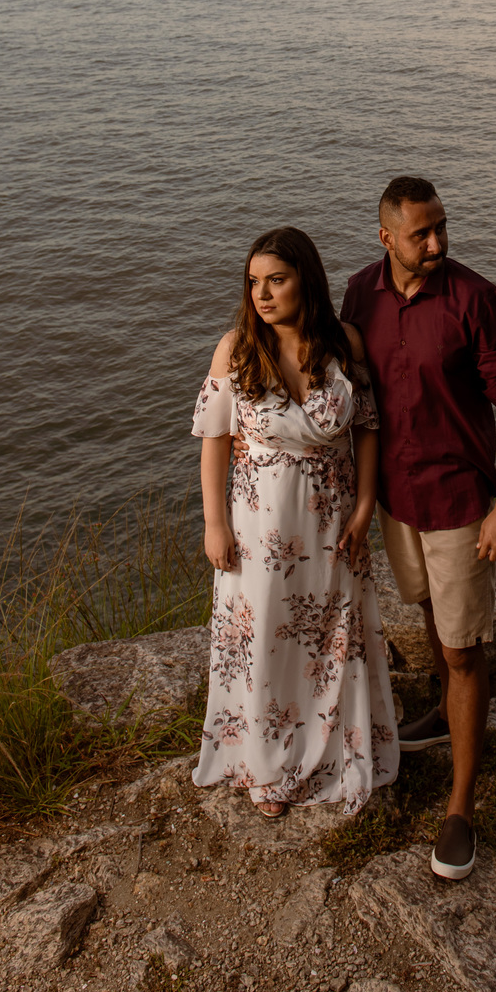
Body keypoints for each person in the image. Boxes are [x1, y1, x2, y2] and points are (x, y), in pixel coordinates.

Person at [341, 177, 496, 880]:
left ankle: (460, 809)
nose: (438, 244)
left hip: (458, 501)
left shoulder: (476, 300)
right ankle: (447, 711)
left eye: (442, 228)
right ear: (384, 236)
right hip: (395, 497)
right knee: (426, 613)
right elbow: (349, 385)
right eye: (422, 234)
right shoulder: (360, 292)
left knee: (462, 650)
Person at [190, 226, 399, 817]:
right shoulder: (235, 349)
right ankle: (264, 761)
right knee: (261, 639)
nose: (262, 293)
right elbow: (213, 440)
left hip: (331, 521)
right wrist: (214, 524)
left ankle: (333, 750)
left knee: (330, 636)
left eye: (276, 280)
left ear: (305, 279)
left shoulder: (344, 344)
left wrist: (364, 509)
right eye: (253, 282)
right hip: (258, 523)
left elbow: (368, 429)